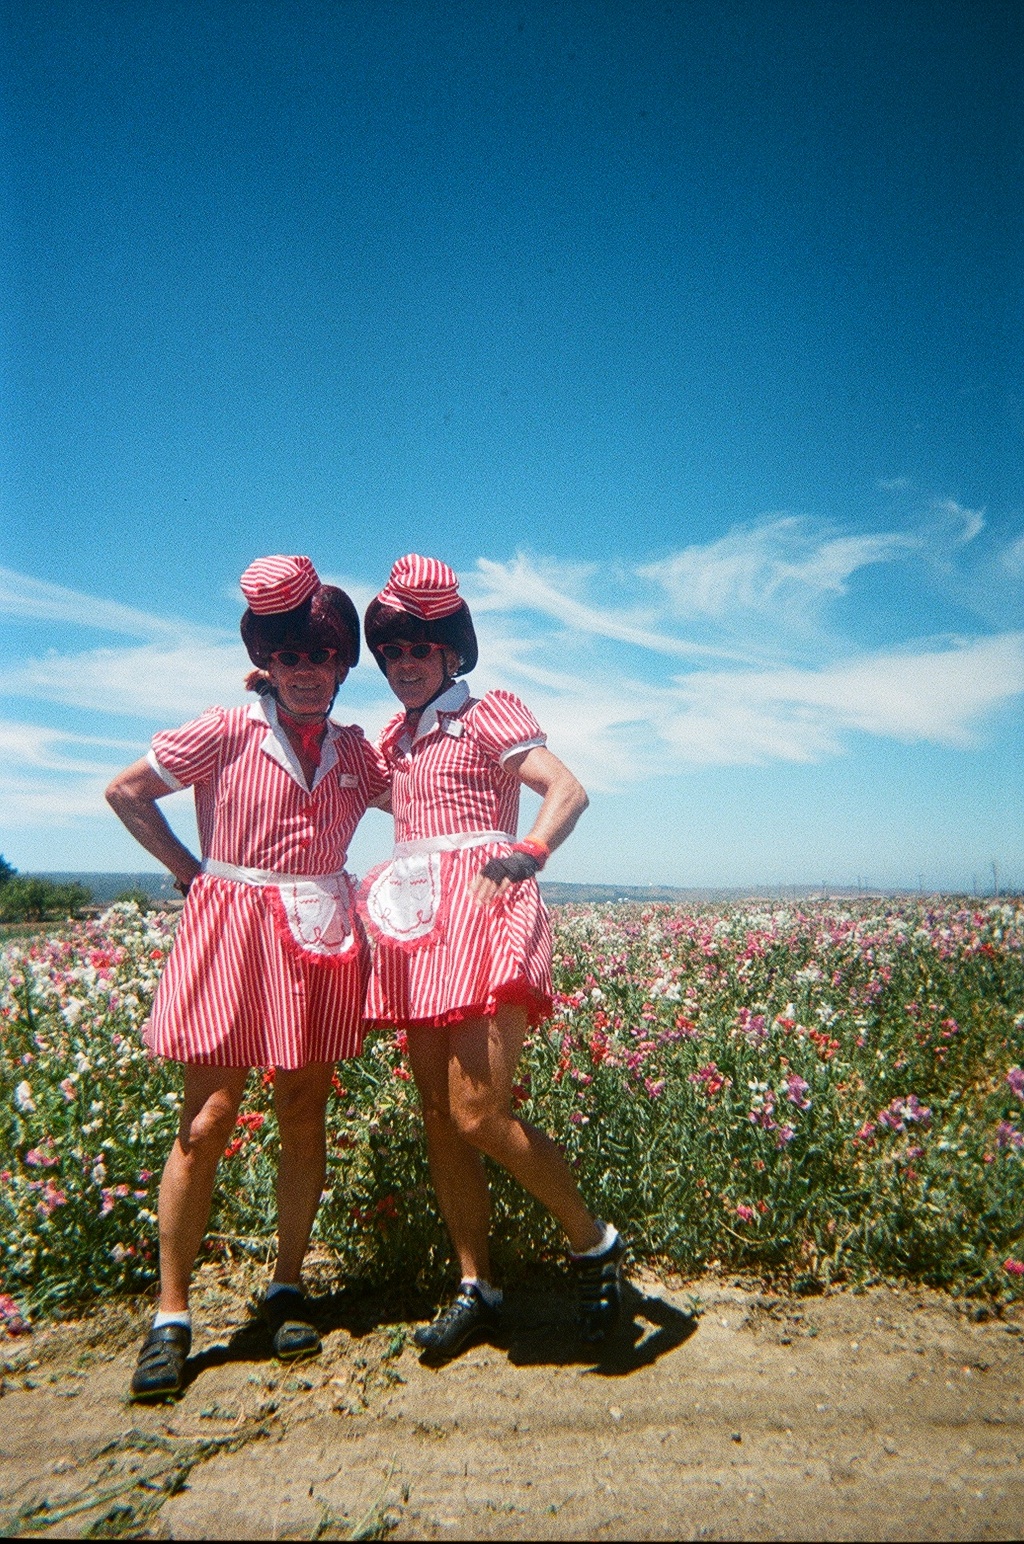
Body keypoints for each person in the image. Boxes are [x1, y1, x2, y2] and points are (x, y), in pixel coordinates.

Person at [105, 556, 388, 1399]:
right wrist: (192, 872)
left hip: (316, 940)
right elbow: (126, 791)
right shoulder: (225, 729)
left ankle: (287, 1285)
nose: (308, 671)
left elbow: (425, 795)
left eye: (324, 656)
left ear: (343, 666)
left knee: (303, 1108)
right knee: (210, 1117)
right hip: (231, 930)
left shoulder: (354, 751)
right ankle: (172, 1315)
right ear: (265, 659)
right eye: (290, 655)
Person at [361, 554, 624, 1362]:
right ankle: (477, 1286)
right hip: (417, 925)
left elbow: (567, 788)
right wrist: (274, 691)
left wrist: (530, 851)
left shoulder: (486, 716)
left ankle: (593, 1241)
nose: (404, 664)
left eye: (419, 648)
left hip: (486, 912)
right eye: (391, 652)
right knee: (442, 1120)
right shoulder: (395, 742)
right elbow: (342, 782)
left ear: (451, 652)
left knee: (479, 1110)